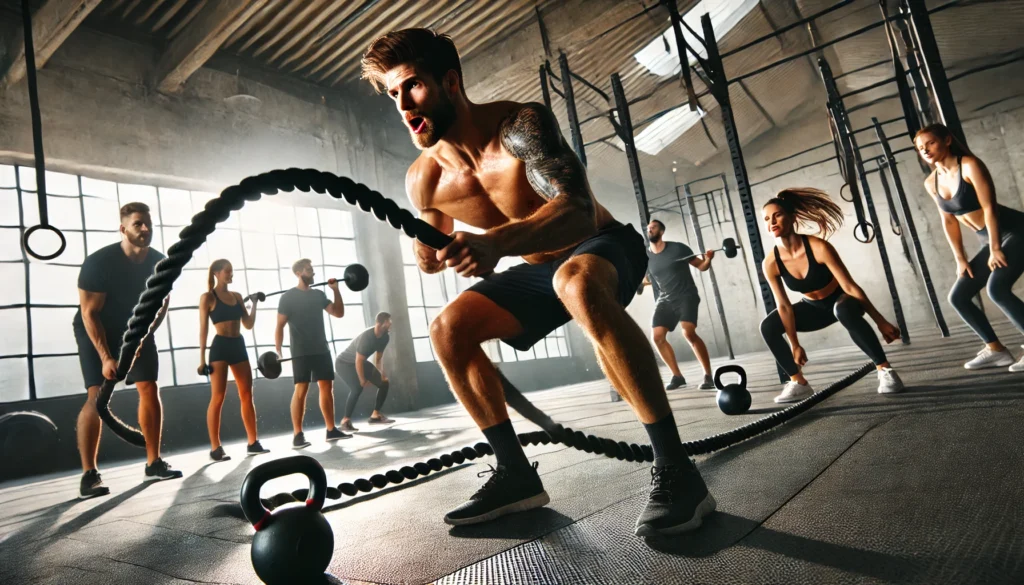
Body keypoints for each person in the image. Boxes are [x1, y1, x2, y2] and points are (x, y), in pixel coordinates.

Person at [361, 28, 716, 536]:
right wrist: (429, 252)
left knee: (576, 281)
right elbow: (430, 255)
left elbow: (574, 211)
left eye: (412, 86)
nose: (401, 103)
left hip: (602, 244)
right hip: (538, 269)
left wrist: (494, 244)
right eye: (392, 93)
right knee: (447, 330)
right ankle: (514, 475)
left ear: (451, 81)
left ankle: (678, 473)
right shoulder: (424, 179)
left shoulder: (519, 126)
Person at [73, 202, 182, 499]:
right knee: (96, 395)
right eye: (137, 224)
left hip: (137, 330)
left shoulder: (161, 263)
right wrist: (107, 356)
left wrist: (142, 340)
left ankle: (153, 462)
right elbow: (89, 314)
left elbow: (161, 305)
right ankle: (89, 474)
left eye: (148, 223)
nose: (145, 229)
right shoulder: (99, 263)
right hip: (97, 329)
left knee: (149, 387)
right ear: (123, 228)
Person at [759, 188, 906, 402]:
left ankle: (885, 371)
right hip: (813, 309)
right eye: (766, 219)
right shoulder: (770, 263)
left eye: (777, 215)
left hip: (842, 301)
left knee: (843, 309)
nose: (771, 221)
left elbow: (849, 286)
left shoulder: (818, 247)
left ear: (792, 217)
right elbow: (784, 307)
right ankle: (798, 382)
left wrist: (880, 321)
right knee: (768, 326)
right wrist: (794, 344)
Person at [916, 123, 1024, 371]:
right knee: (959, 296)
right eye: (921, 147)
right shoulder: (931, 182)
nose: (926, 150)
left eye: (930, 143)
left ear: (946, 140)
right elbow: (948, 220)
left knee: (997, 289)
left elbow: (990, 208)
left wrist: (995, 247)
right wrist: (960, 259)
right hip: (989, 239)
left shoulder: (970, 165)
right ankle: (997, 350)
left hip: (1016, 231)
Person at [198, 259, 269, 461]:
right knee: (218, 397)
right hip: (220, 347)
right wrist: (201, 359)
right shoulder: (208, 298)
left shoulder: (237, 297)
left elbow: (248, 324)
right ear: (217, 273)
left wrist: (254, 304)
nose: (231, 275)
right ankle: (215, 448)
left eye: (232, 271)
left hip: (238, 345)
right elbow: (203, 330)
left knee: (247, 394)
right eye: (228, 272)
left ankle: (253, 443)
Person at [276, 258, 350, 447]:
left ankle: (331, 430)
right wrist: (278, 350)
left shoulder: (318, 295)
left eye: (312, 269)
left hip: (321, 349)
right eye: (309, 269)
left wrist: (336, 291)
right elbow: (280, 326)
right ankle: (297, 435)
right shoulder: (288, 298)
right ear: (299, 273)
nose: (313, 272)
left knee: (327, 387)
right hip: (301, 351)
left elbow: (338, 313)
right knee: (301, 389)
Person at [640, 219, 716, 391]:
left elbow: (702, 266)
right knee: (657, 337)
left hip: (686, 295)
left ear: (662, 231)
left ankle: (708, 376)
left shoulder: (678, 248)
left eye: (653, 227)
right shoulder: (647, 257)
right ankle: (677, 376)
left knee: (688, 333)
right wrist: (639, 285)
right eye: (648, 228)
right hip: (665, 299)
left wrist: (708, 259)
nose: (650, 230)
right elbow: (651, 279)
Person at [337, 312, 394, 432]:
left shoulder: (385, 337)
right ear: (380, 323)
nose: (390, 323)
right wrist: (362, 379)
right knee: (357, 388)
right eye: (388, 321)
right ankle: (345, 421)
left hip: (359, 362)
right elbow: (358, 361)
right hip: (344, 363)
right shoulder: (367, 338)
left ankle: (375, 416)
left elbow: (378, 357)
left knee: (384, 383)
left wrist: (381, 372)